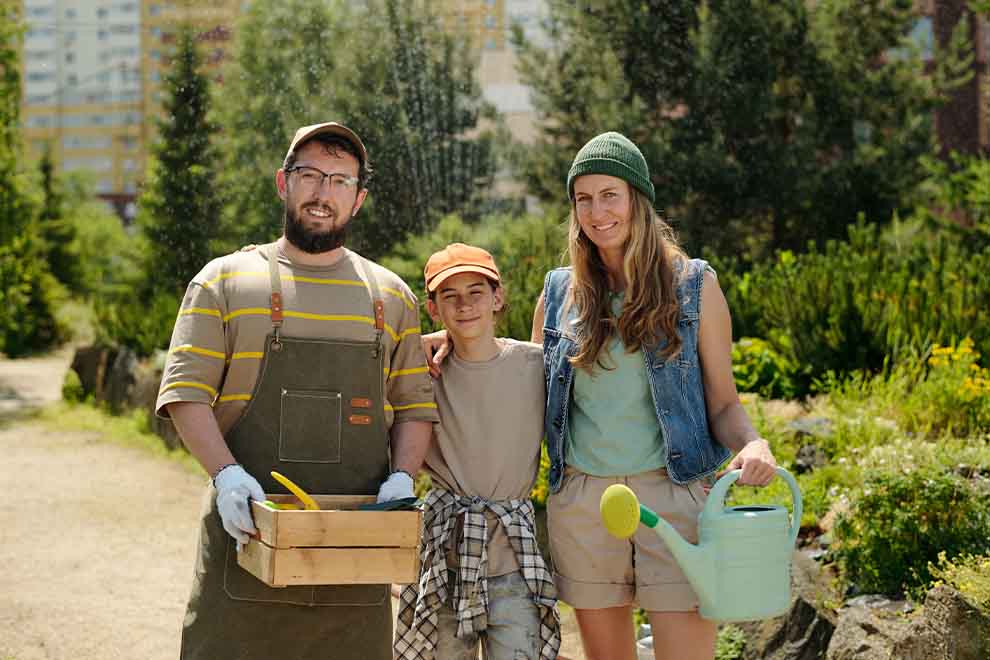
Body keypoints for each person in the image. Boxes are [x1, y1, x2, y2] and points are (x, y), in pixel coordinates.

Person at [425, 131, 779, 660]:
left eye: (609, 194)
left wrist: (753, 443)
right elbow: (521, 377)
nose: (597, 211)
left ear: (637, 198)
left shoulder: (693, 286)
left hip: (674, 497)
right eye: (583, 198)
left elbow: (723, 403)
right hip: (583, 505)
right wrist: (450, 340)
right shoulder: (559, 293)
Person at [155, 122, 438, 660]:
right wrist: (227, 475)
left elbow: (414, 405)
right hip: (247, 544)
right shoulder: (223, 282)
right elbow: (186, 394)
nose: (323, 191)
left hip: (355, 558)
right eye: (309, 174)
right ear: (283, 183)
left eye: (339, 180)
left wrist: (401, 477)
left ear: (359, 199)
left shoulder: (391, 297)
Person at [394, 243, 560, 660]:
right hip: (445, 563)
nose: (464, 305)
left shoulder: (534, 366)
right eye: (449, 296)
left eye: (476, 292)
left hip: (516, 566)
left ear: (498, 297)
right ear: (433, 308)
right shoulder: (422, 372)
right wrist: (420, 343)